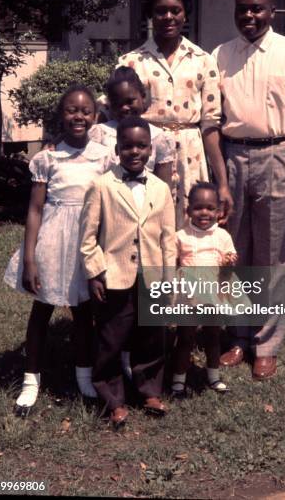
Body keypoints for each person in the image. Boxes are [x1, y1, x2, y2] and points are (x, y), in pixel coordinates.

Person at [212, 0, 285, 379]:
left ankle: (266, 343)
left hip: (281, 156)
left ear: (272, 12)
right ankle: (238, 337)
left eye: (257, 10)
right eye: (242, 9)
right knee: (234, 251)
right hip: (233, 156)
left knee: (275, 254)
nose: (250, 16)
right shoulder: (221, 55)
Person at [4, 84, 114, 416]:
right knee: (42, 310)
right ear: (60, 115)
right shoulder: (47, 158)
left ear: (95, 117)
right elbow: (36, 210)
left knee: (83, 313)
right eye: (71, 110)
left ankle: (84, 375)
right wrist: (29, 258)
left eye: (85, 111)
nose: (78, 116)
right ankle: (30, 381)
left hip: (87, 242)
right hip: (53, 240)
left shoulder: (105, 156)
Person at [80, 116, 176, 429]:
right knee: (111, 338)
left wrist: (169, 277)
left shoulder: (161, 188)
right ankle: (113, 399)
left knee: (151, 336)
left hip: (151, 274)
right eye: (127, 146)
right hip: (115, 276)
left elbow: (168, 238)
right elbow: (88, 237)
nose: (134, 151)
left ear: (150, 148)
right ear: (117, 149)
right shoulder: (102, 185)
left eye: (141, 146)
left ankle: (149, 389)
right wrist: (95, 272)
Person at [118, 0, 232, 228]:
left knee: (190, 230)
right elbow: (111, 112)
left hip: (190, 157)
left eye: (175, 10)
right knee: (146, 225)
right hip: (147, 155)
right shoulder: (131, 62)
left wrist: (222, 183)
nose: (168, 17)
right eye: (160, 11)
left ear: (185, 15)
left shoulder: (203, 60)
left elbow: (211, 125)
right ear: (150, 15)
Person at [171, 182, 238, 397]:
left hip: (214, 295)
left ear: (218, 212)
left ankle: (213, 376)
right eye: (198, 207)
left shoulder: (223, 236)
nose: (204, 213)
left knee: (213, 337)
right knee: (185, 338)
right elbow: (173, 263)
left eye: (210, 208)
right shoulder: (180, 236)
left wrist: (229, 262)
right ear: (188, 210)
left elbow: (229, 261)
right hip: (188, 296)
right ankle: (179, 379)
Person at [89, 66, 174, 190]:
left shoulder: (158, 137)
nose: (124, 108)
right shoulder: (100, 133)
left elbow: (164, 188)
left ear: (143, 97)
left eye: (130, 101)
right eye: (118, 103)